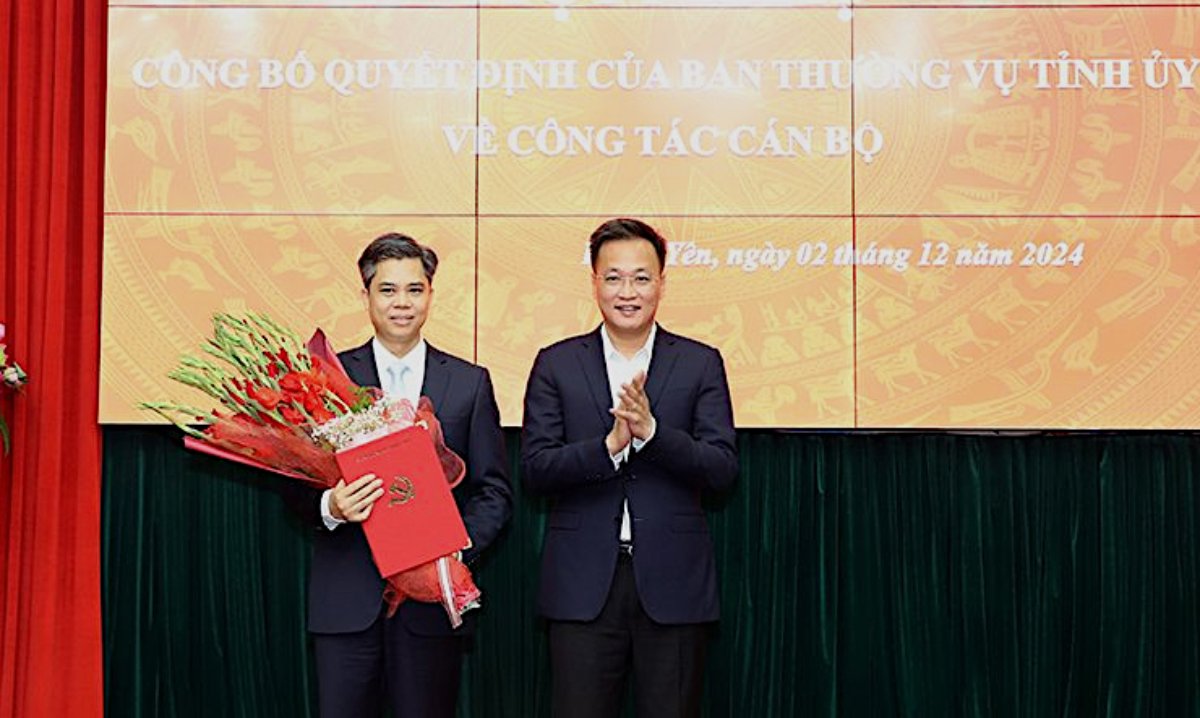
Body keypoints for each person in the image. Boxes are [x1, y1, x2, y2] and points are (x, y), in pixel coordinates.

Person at [285, 232, 511, 718]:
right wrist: (332, 507)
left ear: (431, 293)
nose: (402, 303)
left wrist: (453, 550)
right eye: (387, 290)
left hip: (429, 607)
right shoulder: (329, 378)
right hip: (346, 602)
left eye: (414, 289)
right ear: (365, 295)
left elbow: (493, 490)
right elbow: (296, 487)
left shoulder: (470, 383)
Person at [520, 218, 738, 717]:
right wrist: (609, 446)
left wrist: (655, 435)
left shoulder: (700, 362)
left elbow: (722, 469)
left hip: (675, 586)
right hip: (582, 586)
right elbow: (535, 469)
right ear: (594, 282)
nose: (627, 292)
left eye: (641, 278)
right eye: (613, 277)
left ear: (662, 282)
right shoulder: (556, 363)